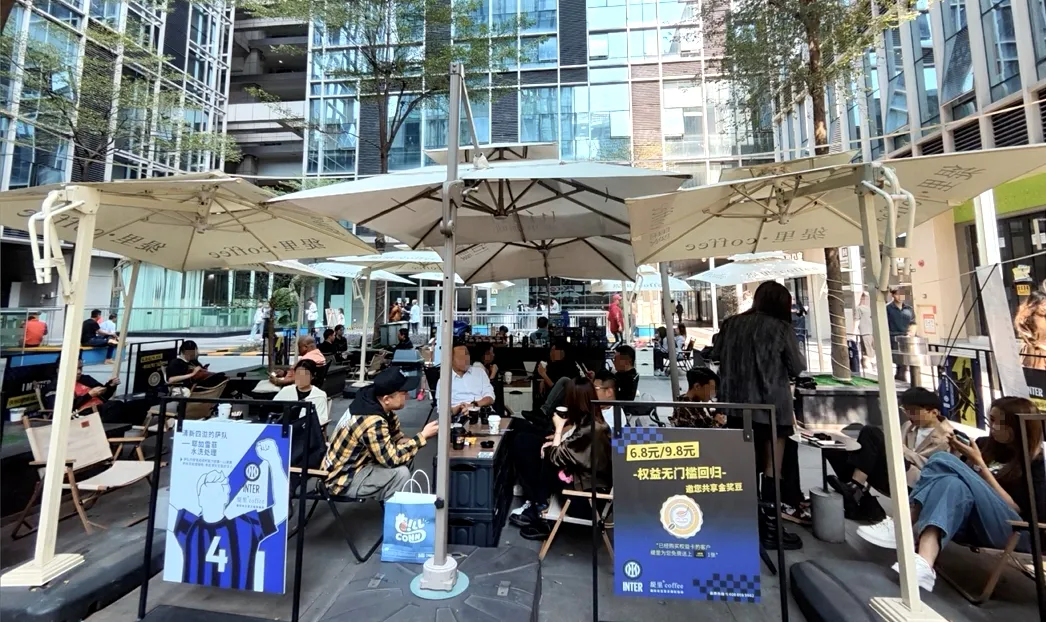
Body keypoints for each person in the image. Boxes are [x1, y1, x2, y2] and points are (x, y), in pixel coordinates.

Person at [856, 397, 1045, 593]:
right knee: (952, 483)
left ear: (1016, 426)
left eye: (999, 422)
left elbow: (1022, 512)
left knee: (941, 459)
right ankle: (924, 562)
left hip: (1012, 530)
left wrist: (980, 465)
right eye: (991, 420)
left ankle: (901, 524)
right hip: (972, 520)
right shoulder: (984, 444)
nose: (993, 427)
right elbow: (959, 483)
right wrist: (962, 457)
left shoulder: (1034, 462)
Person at [711, 280, 806, 548]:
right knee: (773, 467)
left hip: (736, 407)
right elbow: (797, 366)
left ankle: (746, 523)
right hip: (771, 408)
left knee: (744, 465)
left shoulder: (731, 324)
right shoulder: (781, 328)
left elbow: (715, 354)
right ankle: (772, 528)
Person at [168, 438, 288, 590]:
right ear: (200, 498)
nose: (212, 496)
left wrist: (274, 461)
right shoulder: (246, 525)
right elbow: (281, 508)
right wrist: (274, 460)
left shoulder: (188, 525)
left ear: (225, 498)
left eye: (216, 492)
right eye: (208, 492)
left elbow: (282, 508)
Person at [827, 387, 955, 521]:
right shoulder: (908, 426)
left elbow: (938, 470)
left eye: (913, 412)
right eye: (905, 410)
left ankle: (855, 488)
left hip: (917, 483)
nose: (909, 415)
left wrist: (902, 450)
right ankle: (861, 498)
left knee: (871, 432)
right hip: (894, 471)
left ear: (933, 412)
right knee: (834, 449)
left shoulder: (949, 437)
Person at [509, 377, 611, 540]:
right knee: (528, 442)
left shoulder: (591, 430)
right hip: (584, 484)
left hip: (584, 501)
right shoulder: (594, 421)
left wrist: (558, 429)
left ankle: (540, 510)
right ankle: (538, 504)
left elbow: (555, 457)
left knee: (538, 453)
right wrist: (556, 442)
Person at [325, 368, 440, 498]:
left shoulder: (375, 405)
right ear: (386, 399)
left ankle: (393, 501)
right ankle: (396, 510)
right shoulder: (371, 421)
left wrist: (413, 440)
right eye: (403, 393)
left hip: (360, 464)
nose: (407, 396)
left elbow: (396, 438)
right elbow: (392, 459)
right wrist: (423, 436)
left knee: (407, 457)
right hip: (343, 479)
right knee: (401, 474)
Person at [44, 356, 124, 421]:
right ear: (60, 370)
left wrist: (110, 386)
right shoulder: (54, 387)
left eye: (80, 368)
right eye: (75, 368)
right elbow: (61, 409)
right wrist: (89, 395)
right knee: (116, 407)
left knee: (128, 406)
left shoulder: (86, 379)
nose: (79, 372)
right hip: (80, 415)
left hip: (100, 408)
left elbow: (104, 397)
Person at [437, 344, 495, 416]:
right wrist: (459, 408)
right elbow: (441, 410)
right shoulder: (444, 381)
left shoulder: (479, 372)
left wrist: (473, 405)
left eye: (467, 355)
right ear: (451, 359)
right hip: (457, 416)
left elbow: (490, 397)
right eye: (461, 357)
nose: (466, 359)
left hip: (482, 412)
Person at [273, 359, 330, 425]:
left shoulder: (319, 395)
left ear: (312, 376)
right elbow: (272, 409)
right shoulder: (286, 391)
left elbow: (321, 420)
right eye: (298, 374)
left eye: (305, 375)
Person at [887, 287, 916, 382]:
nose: (900, 296)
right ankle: (899, 378)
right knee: (898, 360)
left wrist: (911, 333)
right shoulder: (888, 308)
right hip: (893, 337)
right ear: (893, 295)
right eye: (897, 294)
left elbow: (913, 323)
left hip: (906, 338)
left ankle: (901, 378)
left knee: (906, 361)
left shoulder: (909, 309)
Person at [1016, 290, 1046, 369]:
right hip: (1033, 354)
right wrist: (1042, 346)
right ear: (1034, 304)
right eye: (1043, 305)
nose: (1045, 308)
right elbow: (1029, 339)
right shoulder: (1024, 319)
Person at [853, 292, 874, 370]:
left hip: (866, 333)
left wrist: (853, 334)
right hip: (869, 333)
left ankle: (868, 367)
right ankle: (869, 366)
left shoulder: (860, 308)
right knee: (869, 351)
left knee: (867, 352)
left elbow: (856, 321)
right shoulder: (869, 308)